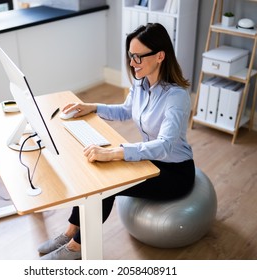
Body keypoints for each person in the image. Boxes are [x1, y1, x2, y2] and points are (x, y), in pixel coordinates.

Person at [38, 22, 195, 260]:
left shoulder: (177, 97)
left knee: (107, 186)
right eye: (131, 56)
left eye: (138, 57)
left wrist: (116, 152)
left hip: (174, 172)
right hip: (151, 159)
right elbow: (125, 111)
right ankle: (71, 231)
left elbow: (165, 145)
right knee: (96, 174)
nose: (132, 63)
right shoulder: (142, 84)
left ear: (160, 56)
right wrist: (91, 107)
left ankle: (76, 248)